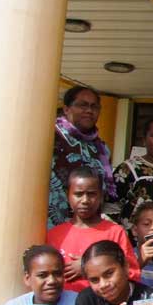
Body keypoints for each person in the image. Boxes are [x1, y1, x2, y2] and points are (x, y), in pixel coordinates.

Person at [46, 167, 140, 293]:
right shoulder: (54, 235)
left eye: (91, 194)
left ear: (101, 196)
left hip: (101, 303)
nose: (85, 200)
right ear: (68, 195)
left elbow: (132, 273)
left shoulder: (115, 232)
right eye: (78, 194)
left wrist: (88, 267)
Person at [49, 86, 116, 229]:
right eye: (83, 105)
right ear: (66, 109)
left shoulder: (101, 149)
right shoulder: (51, 137)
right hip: (52, 227)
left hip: (89, 230)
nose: (89, 110)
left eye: (94, 106)